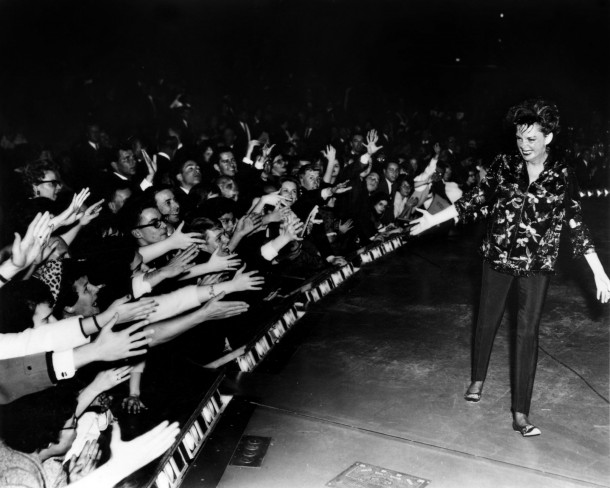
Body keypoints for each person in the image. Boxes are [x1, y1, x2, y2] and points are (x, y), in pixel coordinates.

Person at [410, 99, 610, 437]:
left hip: (536, 265)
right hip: (498, 257)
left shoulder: (562, 175)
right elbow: (476, 198)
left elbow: (576, 223)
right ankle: (477, 378)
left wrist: (598, 270)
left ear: (548, 138)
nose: (524, 145)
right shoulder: (504, 164)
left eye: (531, 139)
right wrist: (435, 218)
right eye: (520, 138)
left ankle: (520, 413)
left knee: (527, 333)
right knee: (487, 319)